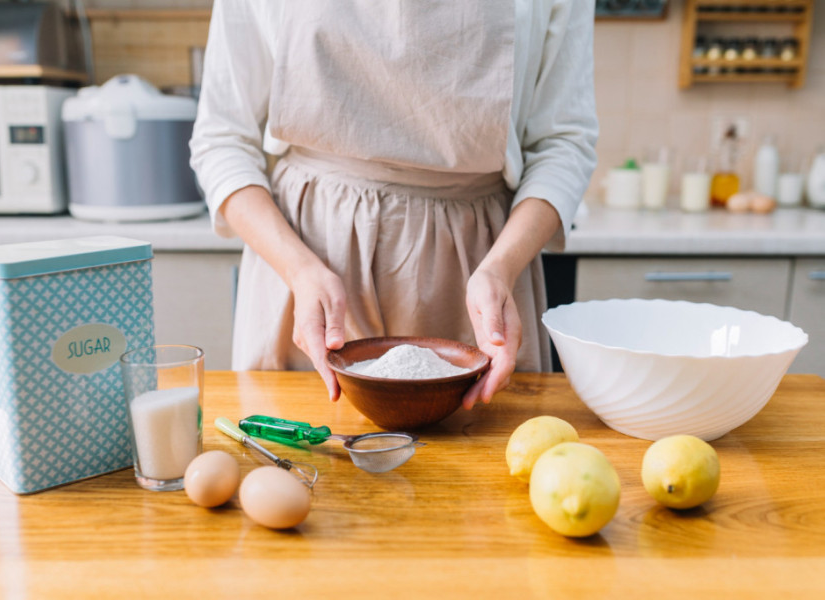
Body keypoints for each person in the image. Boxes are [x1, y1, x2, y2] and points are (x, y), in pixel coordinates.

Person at [189, 0, 598, 409]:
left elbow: (564, 144)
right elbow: (222, 140)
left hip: (479, 271)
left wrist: (500, 269)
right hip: (305, 272)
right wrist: (298, 270)